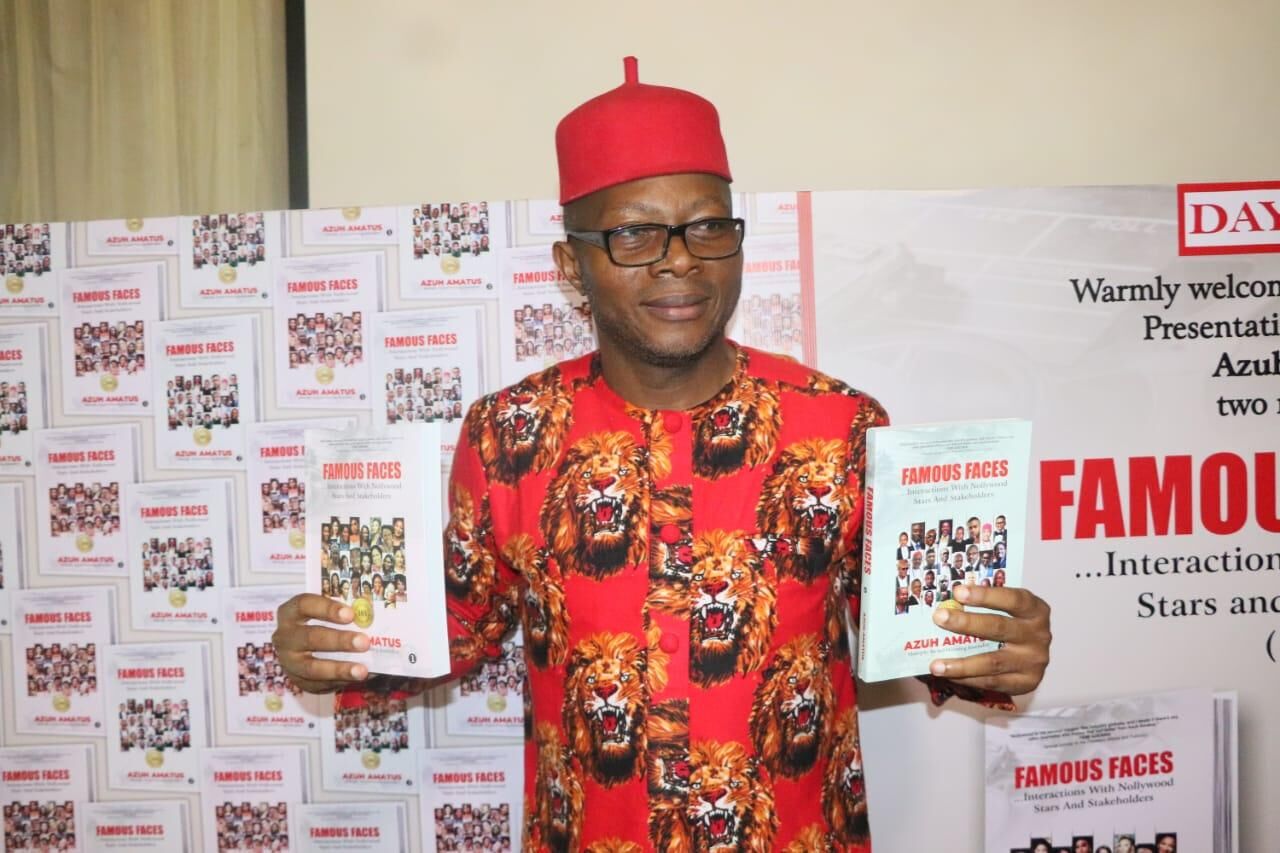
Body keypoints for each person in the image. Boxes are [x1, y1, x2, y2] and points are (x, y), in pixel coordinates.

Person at [272, 56, 1051, 850]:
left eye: (708, 226)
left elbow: (917, 628)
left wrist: (992, 649)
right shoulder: (508, 434)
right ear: (572, 266)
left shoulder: (840, 426)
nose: (680, 258)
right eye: (634, 234)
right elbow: (456, 624)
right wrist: (337, 649)